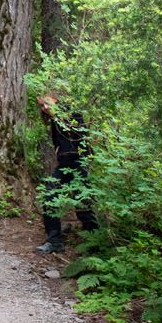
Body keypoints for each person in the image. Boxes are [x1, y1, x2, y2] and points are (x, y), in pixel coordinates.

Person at [35, 93, 97, 253]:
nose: (45, 108)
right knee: (50, 196)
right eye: (42, 106)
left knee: (82, 200)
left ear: (56, 99)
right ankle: (54, 241)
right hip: (64, 164)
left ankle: (94, 241)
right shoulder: (53, 121)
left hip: (79, 162)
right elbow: (58, 144)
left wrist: (83, 162)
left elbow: (83, 139)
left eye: (47, 103)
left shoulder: (72, 114)